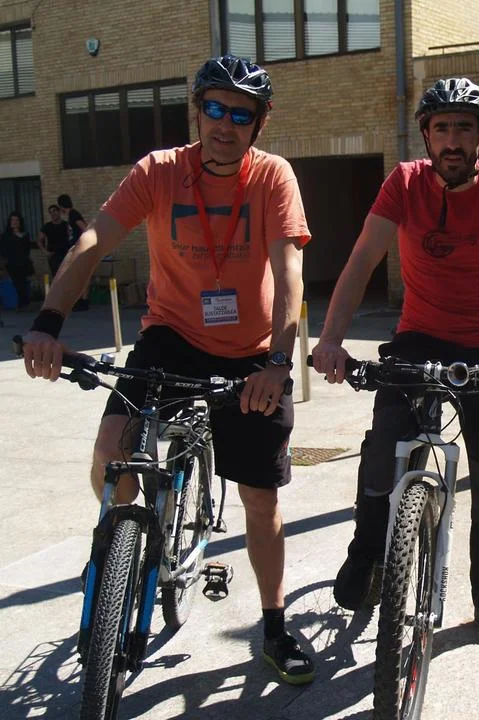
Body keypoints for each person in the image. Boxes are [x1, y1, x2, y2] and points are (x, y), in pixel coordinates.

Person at [20, 55, 316, 685]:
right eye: (215, 108)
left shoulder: (272, 177)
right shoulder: (158, 171)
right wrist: (48, 322)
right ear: (197, 111)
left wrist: (277, 362)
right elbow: (94, 241)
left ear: (259, 124)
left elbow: (288, 270)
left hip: (250, 353)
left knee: (259, 498)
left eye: (241, 115)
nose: (225, 125)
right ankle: (118, 551)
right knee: (111, 454)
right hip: (170, 337)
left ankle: (273, 625)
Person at [311, 77, 479, 651]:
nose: (453, 140)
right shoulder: (404, 182)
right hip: (419, 337)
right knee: (385, 449)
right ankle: (367, 554)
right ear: (427, 136)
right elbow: (361, 261)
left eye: (464, 129)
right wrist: (331, 341)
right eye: (442, 128)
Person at [57, 194, 90, 310]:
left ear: (61, 206)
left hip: (80, 248)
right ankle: (81, 299)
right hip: (77, 248)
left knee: (81, 275)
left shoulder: (73, 214)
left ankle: (83, 300)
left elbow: (84, 228)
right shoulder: (71, 215)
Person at [1, 211, 35, 309]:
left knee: (23, 282)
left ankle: (24, 303)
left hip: (23, 262)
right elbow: (3, 249)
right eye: (12, 220)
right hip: (11, 263)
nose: (14, 222)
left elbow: (27, 249)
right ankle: (22, 303)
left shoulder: (25, 235)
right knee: (17, 282)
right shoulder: (5, 235)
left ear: (20, 222)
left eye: (16, 220)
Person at [39, 204, 72, 278]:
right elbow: (39, 241)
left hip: (65, 255)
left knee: (67, 276)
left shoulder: (66, 225)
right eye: (50, 212)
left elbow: (72, 238)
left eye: (54, 211)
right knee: (56, 277)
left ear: (59, 212)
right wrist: (45, 252)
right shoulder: (47, 226)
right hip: (53, 256)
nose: (53, 213)